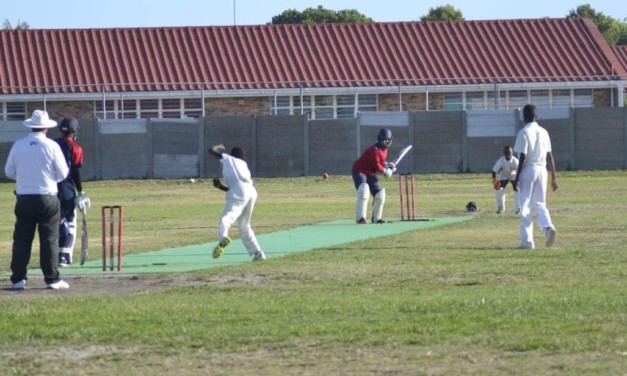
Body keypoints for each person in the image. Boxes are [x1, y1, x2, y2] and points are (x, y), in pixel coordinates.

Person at [5, 110, 70, 290]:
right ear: (46, 128)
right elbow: (63, 173)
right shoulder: (51, 146)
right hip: (47, 196)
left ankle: (18, 279)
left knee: (21, 239)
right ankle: (52, 278)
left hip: (24, 197)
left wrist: (25, 179)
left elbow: (9, 171)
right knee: (49, 239)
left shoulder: (19, 145)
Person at [209, 144, 266, 262]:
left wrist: (218, 146)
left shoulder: (229, 159)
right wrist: (220, 187)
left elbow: (211, 150)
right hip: (251, 192)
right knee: (244, 226)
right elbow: (238, 190)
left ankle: (223, 238)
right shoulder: (244, 165)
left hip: (241, 192)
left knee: (226, 218)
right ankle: (258, 253)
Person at [513, 104, 558, 249]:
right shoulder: (544, 132)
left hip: (529, 169)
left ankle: (527, 242)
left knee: (525, 205)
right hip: (542, 170)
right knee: (540, 203)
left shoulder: (524, 132)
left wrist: (516, 177)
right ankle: (548, 227)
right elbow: (550, 156)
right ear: (536, 116)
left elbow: (522, 156)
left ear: (524, 117)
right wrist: (554, 177)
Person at [55, 117, 91, 266]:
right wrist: (81, 191)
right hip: (66, 187)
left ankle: (56, 255)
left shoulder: (52, 144)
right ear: (74, 131)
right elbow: (75, 172)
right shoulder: (75, 147)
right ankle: (63, 256)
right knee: (69, 221)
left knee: (55, 220)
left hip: (49, 187)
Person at [351, 128, 396, 224]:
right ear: (379, 139)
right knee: (364, 189)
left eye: (388, 140)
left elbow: (380, 162)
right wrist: (386, 171)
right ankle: (361, 218)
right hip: (360, 170)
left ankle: (376, 218)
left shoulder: (385, 150)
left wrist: (388, 165)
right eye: (384, 140)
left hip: (370, 173)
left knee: (380, 194)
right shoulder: (374, 149)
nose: (386, 142)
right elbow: (377, 165)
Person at [492, 145, 520, 214]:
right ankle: (501, 208)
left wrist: (517, 182)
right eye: (506, 152)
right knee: (499, 189)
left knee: (517, 189)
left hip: (514, 174)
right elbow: (494, 170)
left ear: (512, 153)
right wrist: (494, 180)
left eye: (509, 152)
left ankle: (518, 208)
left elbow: (520, 172)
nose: (508, 154)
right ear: (504, 153)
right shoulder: (501, 160)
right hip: (504, 175)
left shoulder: (516, 161)